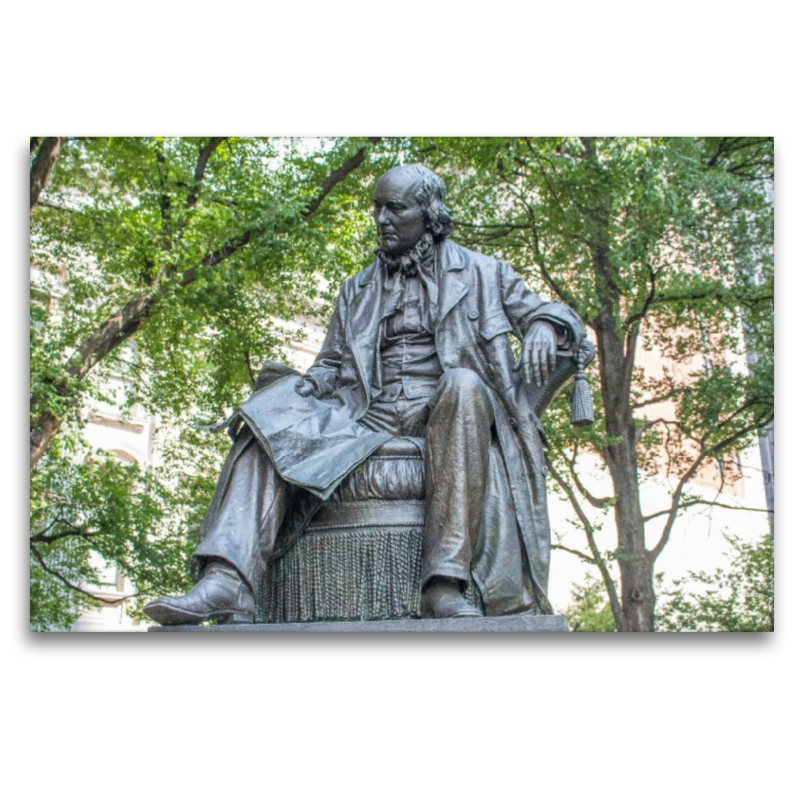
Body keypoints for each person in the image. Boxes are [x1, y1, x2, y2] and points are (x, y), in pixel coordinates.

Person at [144, 165, 585, 625]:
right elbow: (331, 364)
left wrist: (543, 324)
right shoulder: (356, 289)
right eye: (377, 208)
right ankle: (228, 580)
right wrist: (300, 390)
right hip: (365, 417)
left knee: (463, 383)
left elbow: (557, 315)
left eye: (395, 208)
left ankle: (444, 584)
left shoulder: (483, 274)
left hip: (445, 411)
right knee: (267, 416)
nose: (381, 219)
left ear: (429, 214)